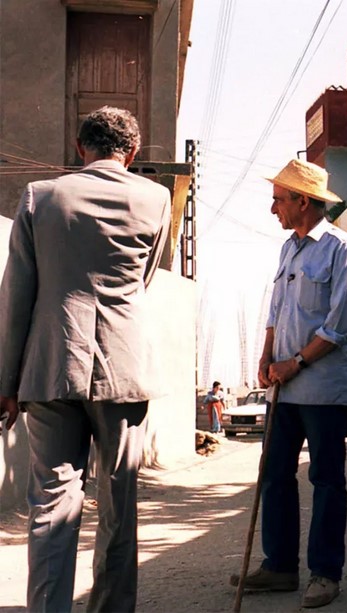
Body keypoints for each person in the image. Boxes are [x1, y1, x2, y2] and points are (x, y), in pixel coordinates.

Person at [0, 106, 170, 612]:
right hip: (125, 369)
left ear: (80, 148)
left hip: (51, 366)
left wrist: (6, 381)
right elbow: (145, 278)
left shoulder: (42, 196)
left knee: (51, 503)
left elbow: (17, 296)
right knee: (120, 501)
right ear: (133, 153)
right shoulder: (156, 198)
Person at [228, 159, 347, 609]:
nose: (273, 209)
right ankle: (279, 567)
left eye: (279, 200)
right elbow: (276, 312)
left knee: (326, 479)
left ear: (303, 201)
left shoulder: (343, 249)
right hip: (283, 389)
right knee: (274, 476)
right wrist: (267, 356)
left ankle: (325, 573)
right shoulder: (288, 249)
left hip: (322, 388)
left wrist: (297, 362)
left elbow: (340, 324)